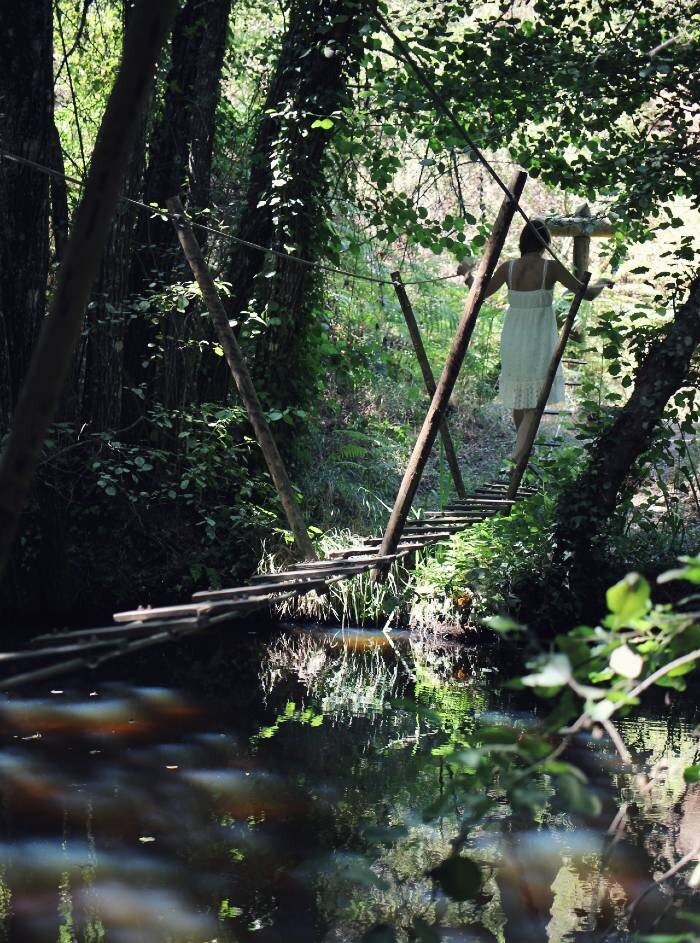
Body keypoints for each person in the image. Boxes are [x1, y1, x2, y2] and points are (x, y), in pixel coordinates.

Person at [458, 219, 613, 465]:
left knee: (522, 395)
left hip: (513, 336)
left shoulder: (509, 268)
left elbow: (479, 291)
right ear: (545, 243)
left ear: (523, 242)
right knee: (534, 397)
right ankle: (519, 454)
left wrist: (468, 274)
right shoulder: (550, 268)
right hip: (540, 337)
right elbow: (588, 294)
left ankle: (522, 452)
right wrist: (603, 283)